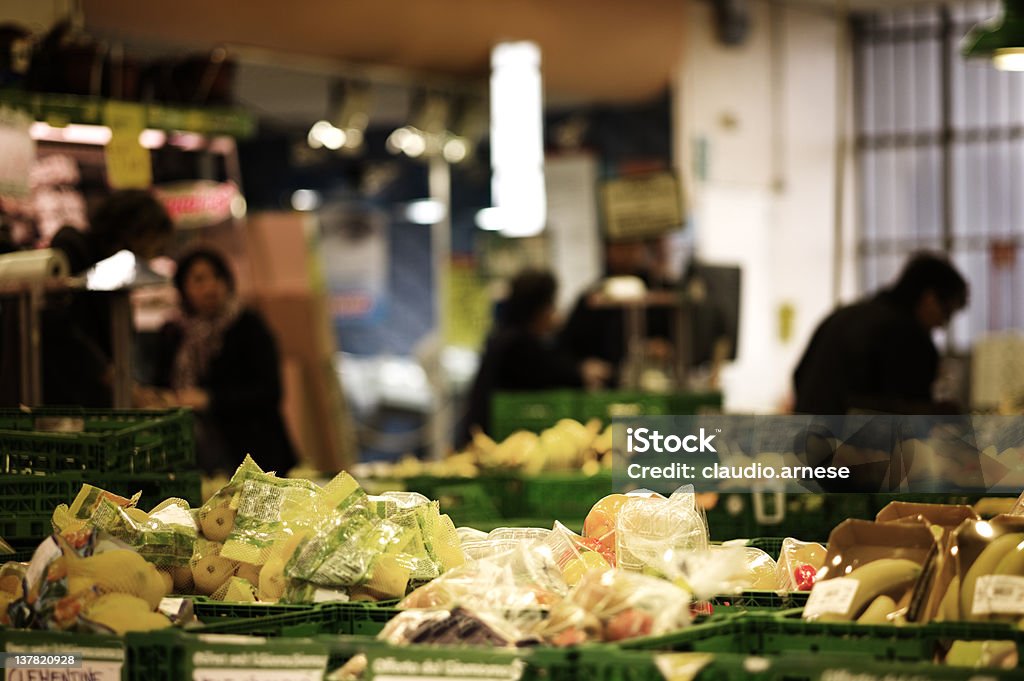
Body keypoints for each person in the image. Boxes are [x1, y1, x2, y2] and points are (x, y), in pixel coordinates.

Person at [10, 190, 174, 407]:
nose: (153, 253)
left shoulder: (118, 274)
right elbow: (59, 328)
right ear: (134, 231)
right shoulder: (74, 249)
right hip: (57, 400)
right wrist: (111, 378)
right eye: (153, 242)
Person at [146, 247, 298, 476]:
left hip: (252, 455)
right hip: (191, 455)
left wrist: (209, 399)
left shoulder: (247, 325)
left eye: (217, 276)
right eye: (199, 279)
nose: (210, 287)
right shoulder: (172, 333)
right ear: (182, 288)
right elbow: (161, 383)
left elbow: (270, 391)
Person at [793, 252, 969, 415]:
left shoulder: (842, 316)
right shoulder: (909, 335)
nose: (941, 325)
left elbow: (799, 375)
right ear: (929, 299)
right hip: (851, 445)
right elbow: (908, 423)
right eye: (946, 313)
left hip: (805, 439)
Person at [458, 269, 611, 447]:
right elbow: (549, 371)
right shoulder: (517, 344)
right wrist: (580, 372)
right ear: (538, 308)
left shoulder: (504, 337)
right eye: (551, 305)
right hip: (491, 444)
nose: (554, 312)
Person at [558, 238, 675, 386]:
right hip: (604, 388)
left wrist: (664, 347)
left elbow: (677, 341)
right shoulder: (591, 297)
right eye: (619, 247)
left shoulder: (660, 292)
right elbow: (566, 348)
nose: (626, 253)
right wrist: (583, 366)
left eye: (631, 246)